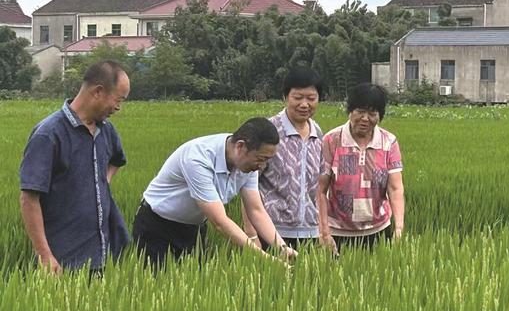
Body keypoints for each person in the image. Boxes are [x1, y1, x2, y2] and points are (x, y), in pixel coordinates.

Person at [132, 117, 297, 267]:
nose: (262, 166)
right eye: (261, 159)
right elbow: (219, 221)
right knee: (157, 285)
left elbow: (256, 210)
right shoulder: (198, 159)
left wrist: (281, 247)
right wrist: (266, 259)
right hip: (157, 226)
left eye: (267, 160)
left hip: (193, 228)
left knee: (193, 287)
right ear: (240, 146)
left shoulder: (248, 164)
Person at [19, 60, 131, 274]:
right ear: (98, 91)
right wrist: (44, 256)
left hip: (103, 257)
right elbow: (29, 198)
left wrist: (100, 183)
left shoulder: (106, 130)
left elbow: (117, 159)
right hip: (63, 261)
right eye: (118, 100)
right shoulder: (49, 134)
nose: (118, 107)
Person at [317, 83, 405, 253]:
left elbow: (395, 188)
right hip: (337, 231)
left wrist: (399, 228)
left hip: (378, 230)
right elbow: (320, 189)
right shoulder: (332, 140)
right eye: (360, 111)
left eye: (372, 113)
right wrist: (324, 231)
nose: (365, 118)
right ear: (350, 111)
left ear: (380, 116)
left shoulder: (388, 142)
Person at [242, 66, 324, 250]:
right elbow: (248, 183)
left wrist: (323, 230)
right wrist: (251, 232)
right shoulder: (269, 132)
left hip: (309, 232)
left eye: (311, 98)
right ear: (285, 97)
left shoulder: (317, 134)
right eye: (298, 97)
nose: (304, 104)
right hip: (270, 230)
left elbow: (319, 188)